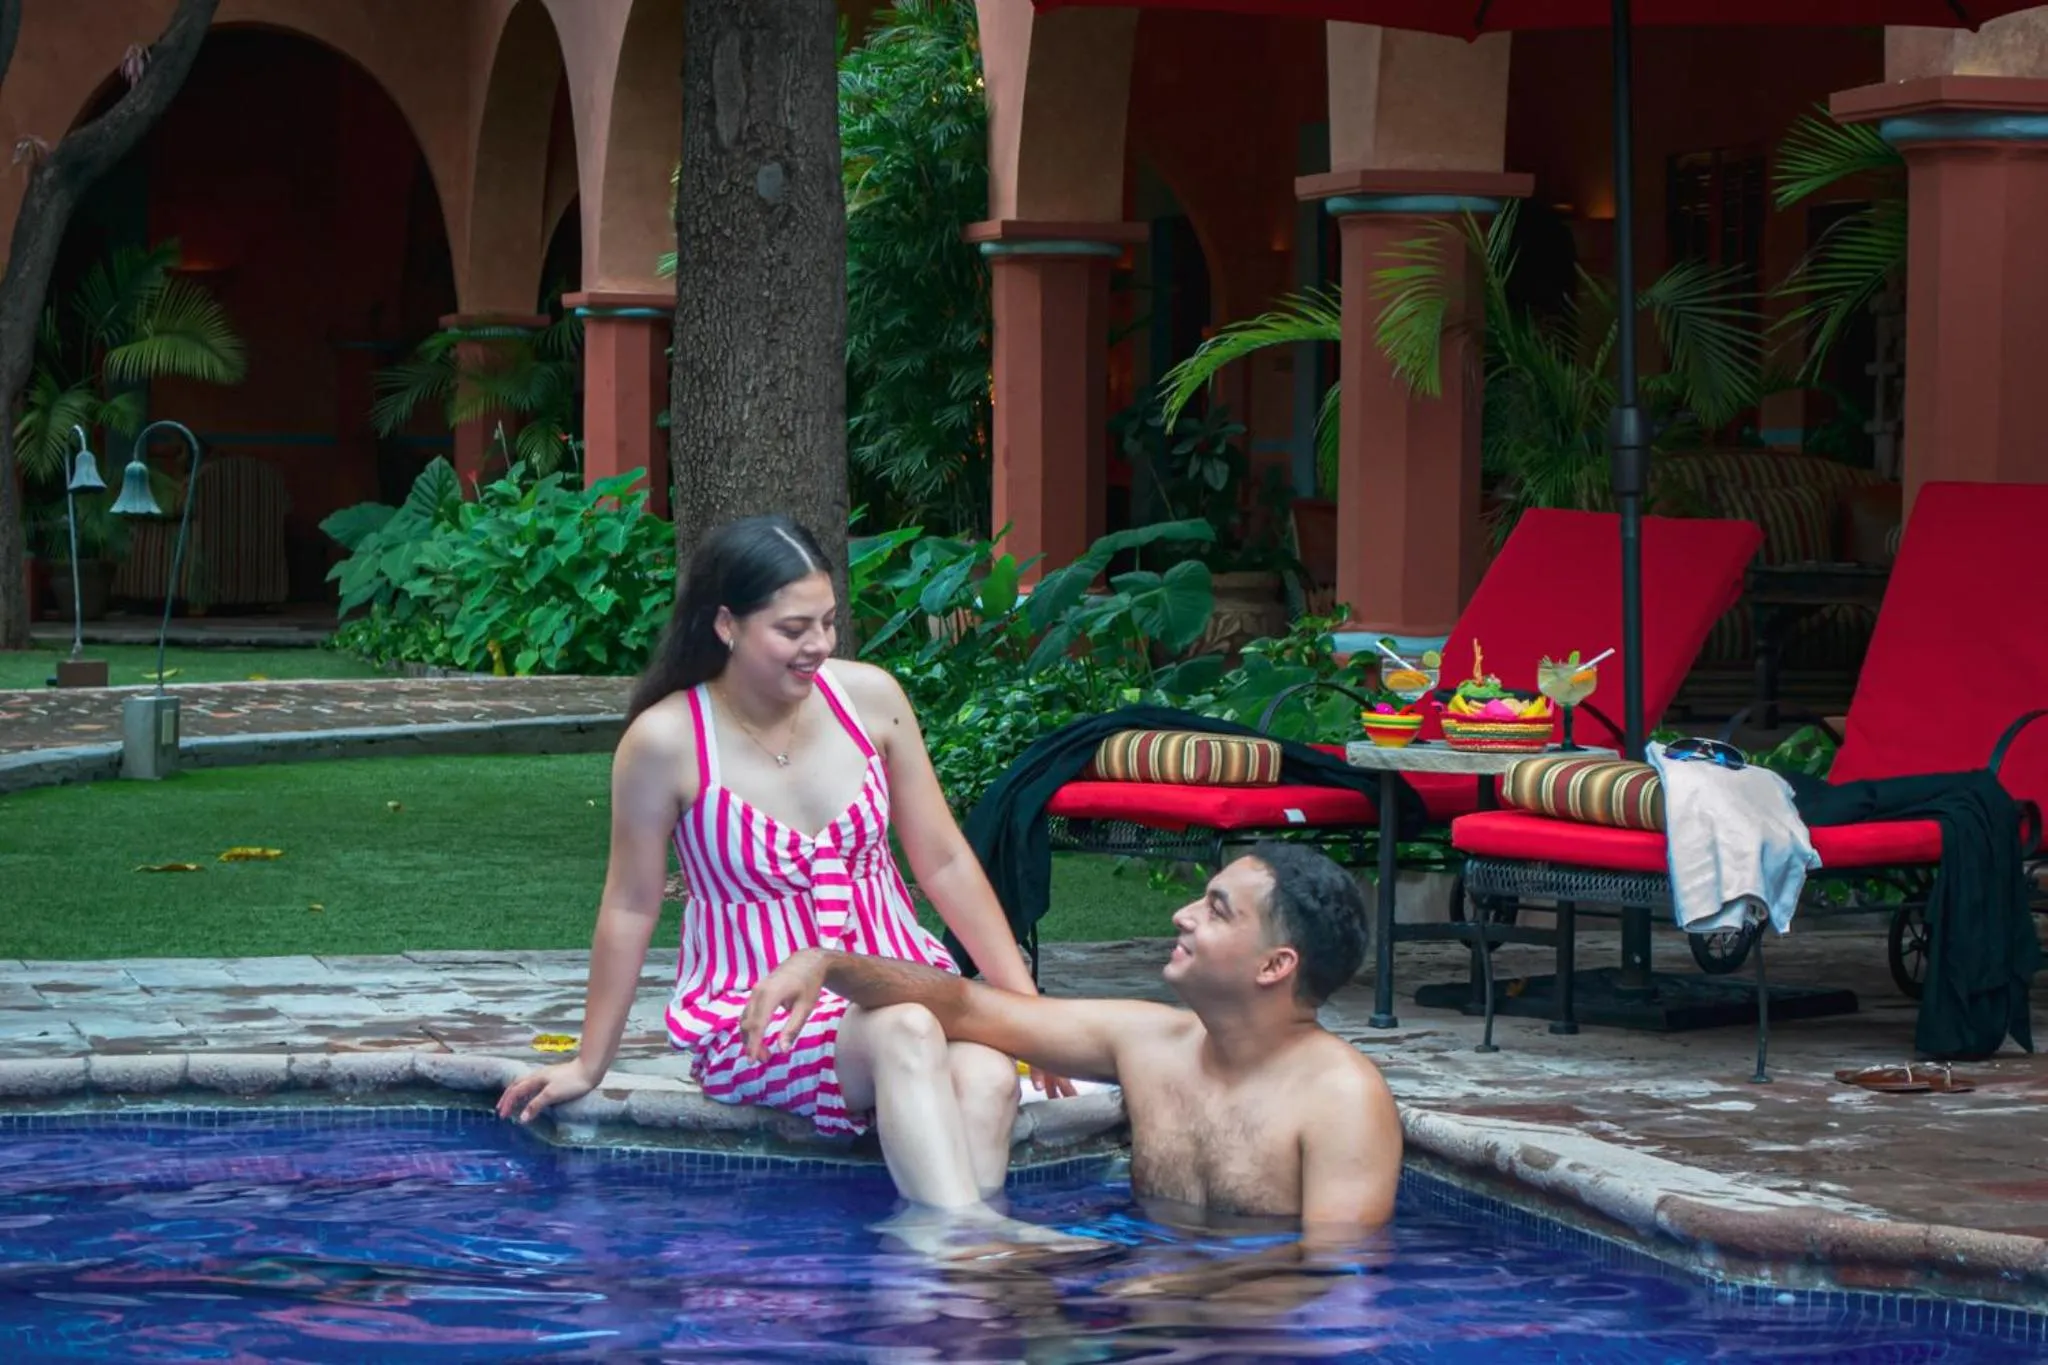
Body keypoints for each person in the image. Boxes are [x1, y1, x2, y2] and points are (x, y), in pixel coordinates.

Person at [497, 514, 1080, 1255]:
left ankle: (939, 1299)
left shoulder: (871, 700)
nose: (820, 646)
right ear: (726, 625)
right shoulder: (666, 741)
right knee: (905, 1029)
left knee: (991, 1074)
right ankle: (970, 1248)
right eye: (794, 628)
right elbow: (631, 903)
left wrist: (1029, 1019)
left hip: (904, 977)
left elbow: (945, 863)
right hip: (757, 1012)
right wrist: (590, 1061)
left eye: (830, 622)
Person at [740, 841, 1404, 1255]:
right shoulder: (1150, 1041)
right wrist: (829, 963)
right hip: (1142, 1306)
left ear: (1273, 965)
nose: (1183, 913)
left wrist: (1175, 1290)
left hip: (1252, 1340)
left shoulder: (1342, 1097)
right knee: (969, 1279)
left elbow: (1331, 1276)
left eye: (1217, 908)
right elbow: (970, 1006)